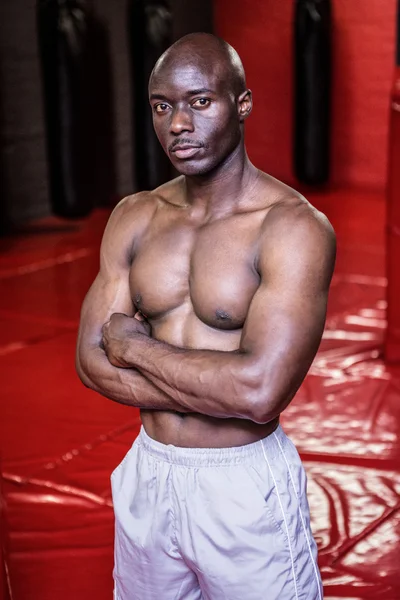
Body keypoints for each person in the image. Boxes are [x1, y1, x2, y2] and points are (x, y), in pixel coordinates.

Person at [76, 32, 335, 600]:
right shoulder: (135, 215)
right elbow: (91, 361)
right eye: (162, 105)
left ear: (241, 105)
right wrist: (220, 383)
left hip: (241, 483)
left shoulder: (292, 228)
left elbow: (261, 393)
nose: (178, 124)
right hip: (149, 470)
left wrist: (137, 348)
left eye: (200, 101)